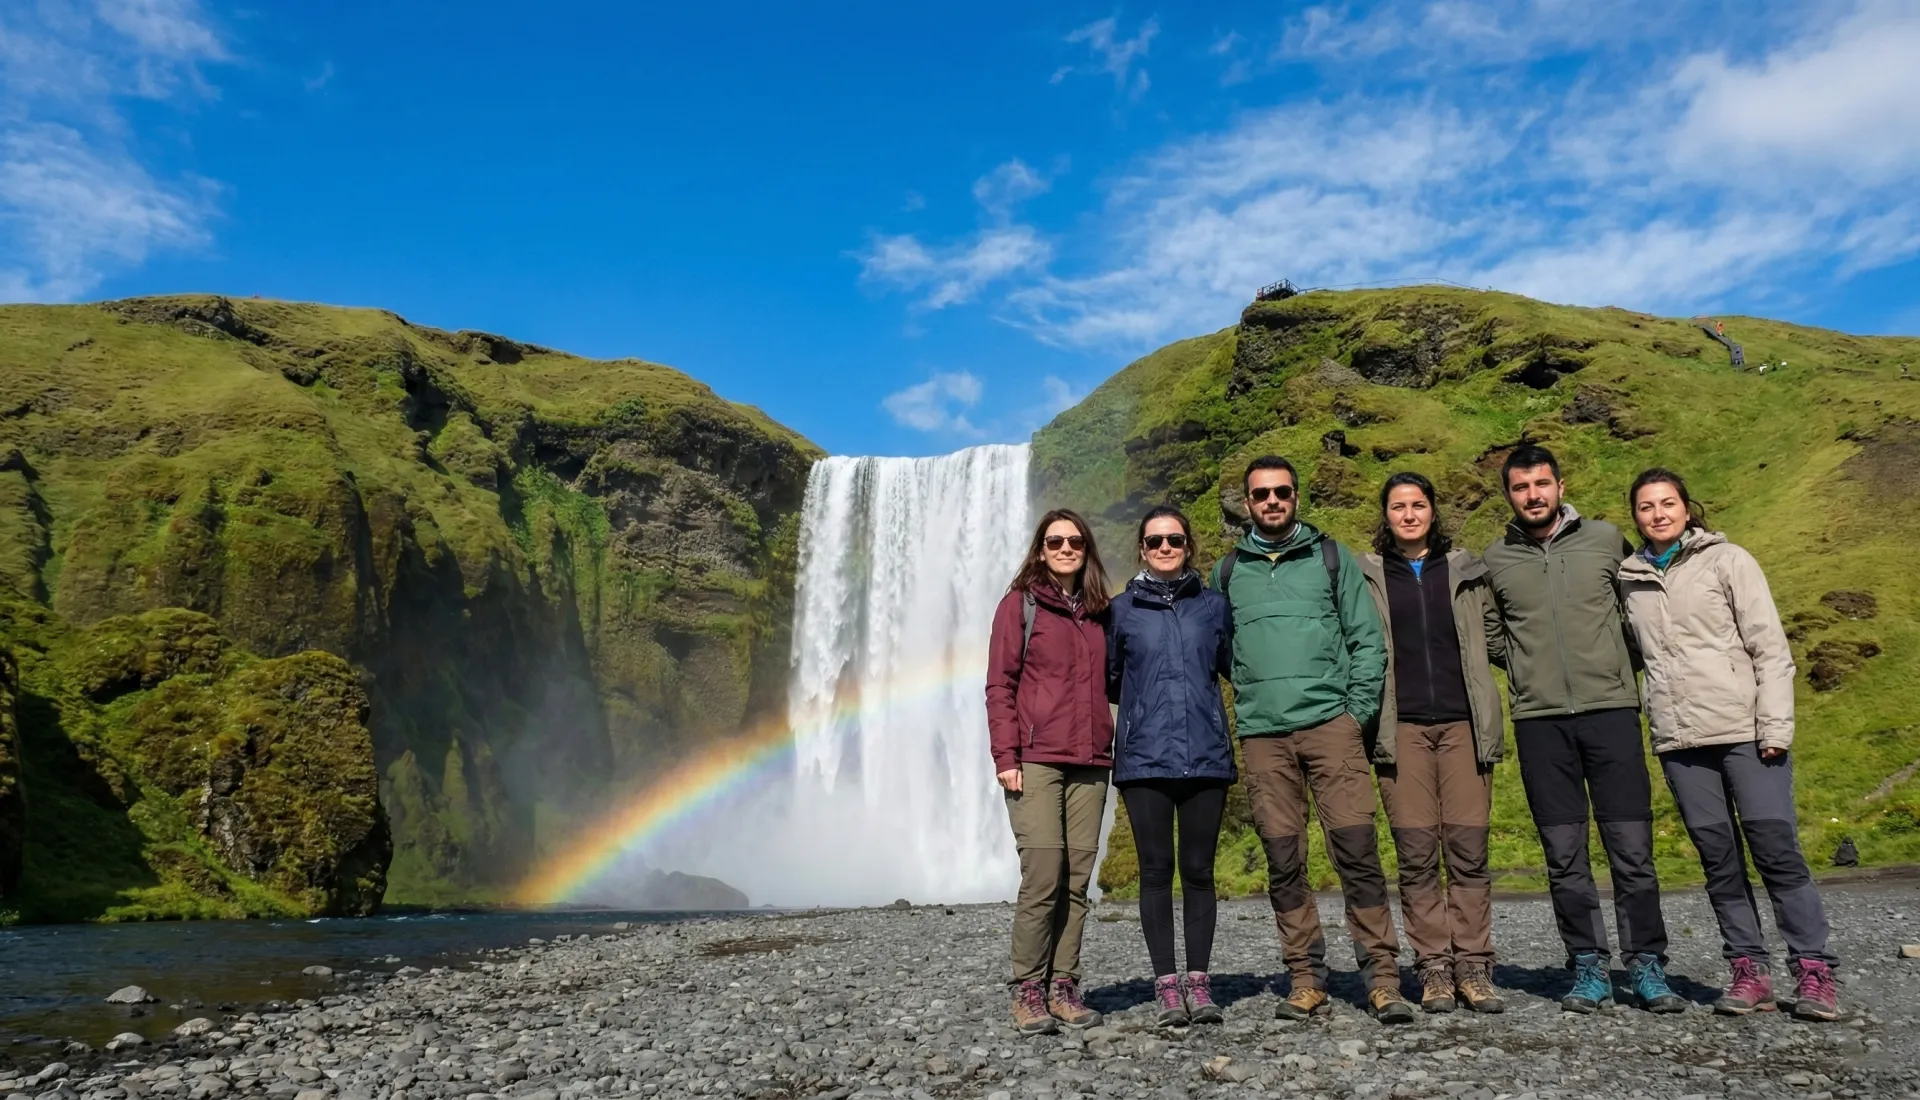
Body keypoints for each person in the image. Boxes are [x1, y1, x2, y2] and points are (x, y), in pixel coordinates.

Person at [1618, 468, 1839, 1021]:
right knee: (1718, 860)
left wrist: (1776, 727)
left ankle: (1813, 971)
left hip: (1746, 733)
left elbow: (1770, 647)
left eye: (1668, 503)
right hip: (1682, 742)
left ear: (1688, 508)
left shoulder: (1729, 560)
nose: (1658, 514)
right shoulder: (1629, 577)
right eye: (1646, 507)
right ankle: (1748, 970)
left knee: (1776, 851)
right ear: (1636, 517)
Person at [1210, 455, 1412, 1024]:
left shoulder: (1330, 558)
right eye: (1261, 494)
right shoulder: (1228, 573)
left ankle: (1382, 977)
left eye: (1281, 492)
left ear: (1295, 497)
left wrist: (1355, 715)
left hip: (1332, 730)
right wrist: (1255, 693)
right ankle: (1305, 977)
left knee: (1358, 853)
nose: (1272, 501)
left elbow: (1368, 642)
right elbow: (1221, 651)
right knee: (1283, 859)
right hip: (1263, 737)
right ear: (1246, 504)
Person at [1482, 444, 1684, 1014]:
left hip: (1611, 713)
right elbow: (1494, 634)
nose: (1533, 495)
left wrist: (1613, 669)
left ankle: (1645, 964)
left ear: (1560, 486)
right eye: (1521, 488)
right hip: (1540, 722)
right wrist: (1528, 670)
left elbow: (1633, 614)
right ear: (1510, 495)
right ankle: (1588, 966)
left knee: (1631, 848)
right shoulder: (1495, 558)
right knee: (1563, 852)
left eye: (1541, 484)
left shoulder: (1605, 539)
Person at [1358, 473, 1507, 1014]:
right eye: (1397, 506)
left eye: (1418, 504)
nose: (1409, 514)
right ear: (1386, 515)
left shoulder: (1466, 569)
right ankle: (1434, 969)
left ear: (1433, 511)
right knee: (1418, 854)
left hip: (1465, 727)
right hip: (1402, 732)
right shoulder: (1366, 574)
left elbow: (1497, 638)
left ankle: (1473, 965)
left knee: (1468, 852)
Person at [985, 508, 1115, 1035]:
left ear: (1087, 550)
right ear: (1040, 549)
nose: (1065, 549)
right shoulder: (1018, 606)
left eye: (1075, 542)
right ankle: (1027, 989)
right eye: (1055, 541)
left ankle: (1064, 985)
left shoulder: (1102, 612)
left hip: (1091, 762)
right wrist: (1006, 757)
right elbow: (1000, 685)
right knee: (1043, 877)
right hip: (1035, 761)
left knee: (1077, 881)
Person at [1107, 505, 1235, 1027]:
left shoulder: (1214, 607)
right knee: (1156, 872)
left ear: (1189, 547)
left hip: (1205, 755)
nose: (1165, 548)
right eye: (1155, 541)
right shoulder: (1119, 610)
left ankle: (1199, 985)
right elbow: (1112, 679)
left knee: (1199, 872)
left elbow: (1227, 667)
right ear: (1142, 548)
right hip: (1144, 761)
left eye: (1175, 540)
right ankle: (1166, 985)